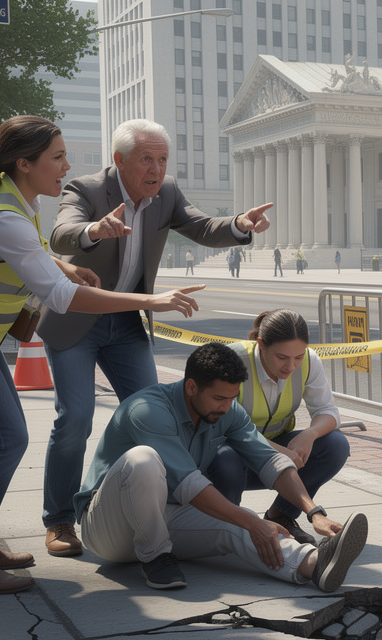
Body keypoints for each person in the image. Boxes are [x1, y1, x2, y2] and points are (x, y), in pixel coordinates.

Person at [0, 115, 204, 594]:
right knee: (4, 439)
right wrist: (149, 300)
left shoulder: (12, 200)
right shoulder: (2, 215)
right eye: (57, 157)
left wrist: (62, 265)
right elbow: (59, 297)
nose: (66, 165)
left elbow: (27, 251)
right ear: (25, 163)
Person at [38, 118, 272, 559]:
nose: (157, 169)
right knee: (76, 419)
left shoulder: (167, 194)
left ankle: (162, 499)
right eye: (147, 159)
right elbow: (60, 232)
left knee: (156, 413)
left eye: (163, 160)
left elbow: (202, 227)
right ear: (119, 160)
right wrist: (94, 231)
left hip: (126, 323)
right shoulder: (86, 190)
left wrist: (240, 223)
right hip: (77, 320)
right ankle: (60, 519)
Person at [75, 342, 368, 591]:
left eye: (231, 398)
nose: (226, 407)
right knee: (144, 460)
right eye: (218, 398)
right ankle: (155, 558)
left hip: (168, 515)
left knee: (242, 526)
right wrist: (252, 520)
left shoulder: (228, 409)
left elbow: (269, 460)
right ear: (191, 387)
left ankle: (315, 564)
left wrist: (312, 512)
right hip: (109, 526)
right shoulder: (147, 410)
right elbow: (189, 482)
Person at [204, 309, 349, 546]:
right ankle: (228, 528)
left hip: (273, 458)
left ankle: (281, 515)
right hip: (230, 458)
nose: (291, 366)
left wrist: (308, 435)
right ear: (260, 344)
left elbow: (328, 412)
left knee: (335, 445)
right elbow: (221, 427)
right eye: (282, 357)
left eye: (298, 357)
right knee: (225, 457)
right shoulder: (231, 361)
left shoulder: (310, 361)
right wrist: (274, 451)